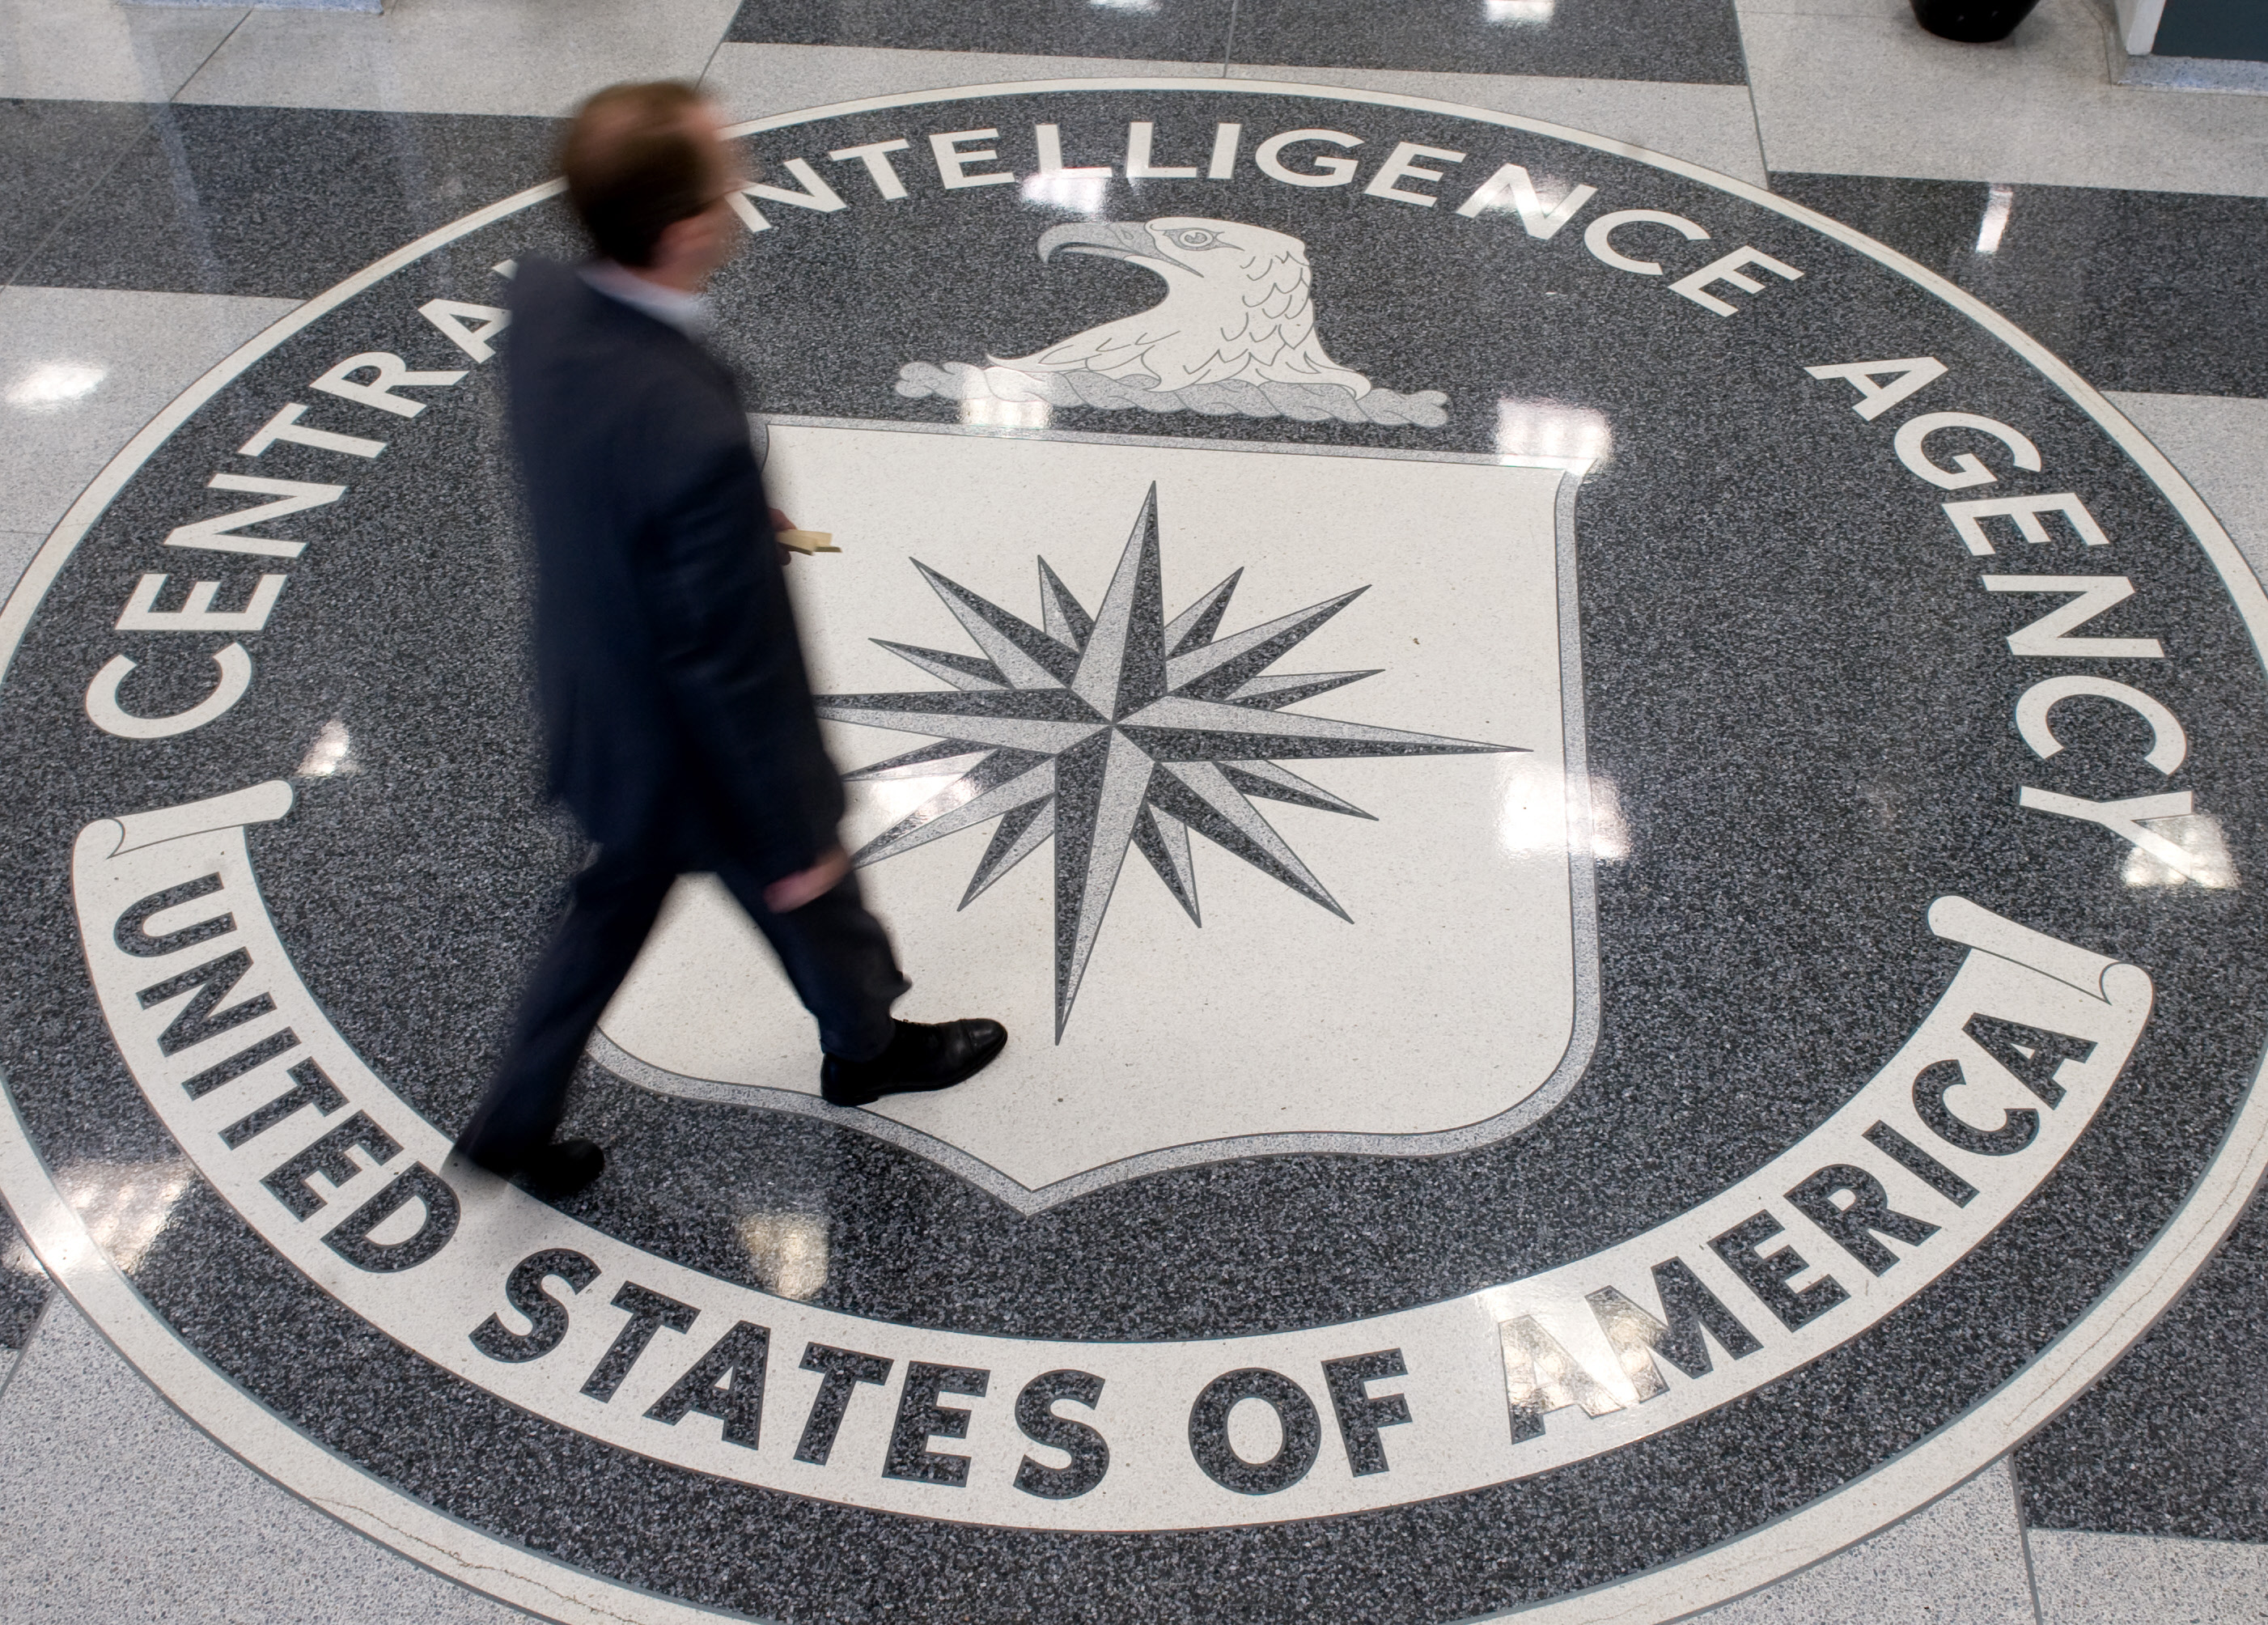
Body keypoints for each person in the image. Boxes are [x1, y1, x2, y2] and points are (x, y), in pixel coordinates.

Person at [456, 80, 1006, 1199]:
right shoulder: (691, 434)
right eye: (724, 178)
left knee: (608, 912)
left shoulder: (548, 302)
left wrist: (705, 523)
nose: (742, 191)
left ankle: (512, 1118)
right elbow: (728, 662)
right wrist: (793, 820)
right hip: (694, 747)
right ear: (683, 230)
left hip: (595, 698)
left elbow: (598, 463)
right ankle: (869, 1053)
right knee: (817, 892)